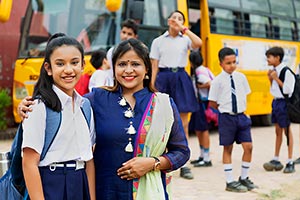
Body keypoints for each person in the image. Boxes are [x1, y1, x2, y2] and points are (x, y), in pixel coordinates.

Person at [18, 38, 190, 200]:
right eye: (122, 64)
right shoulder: (96, 99)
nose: (128, 70)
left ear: (147, 69)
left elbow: (181, 152)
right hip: (105, 191)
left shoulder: (163, 104)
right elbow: (64, 103)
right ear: (113, 68)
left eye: (135, 64)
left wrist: (153, 163)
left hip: (148, 192)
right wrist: (27, 105)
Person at [21, 33, 96, 200]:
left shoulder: (85, 106)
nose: (68, 70)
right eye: (60, 64)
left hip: (79, 181)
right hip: (52, 184)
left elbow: (89, 159)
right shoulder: (39, 107)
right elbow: (29, 163)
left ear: (83, 65)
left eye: (75, 63)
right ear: (48, 68)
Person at [150, 10, 202, 179]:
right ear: (168, 20)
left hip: (180, 77)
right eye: (174, 18)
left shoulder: (185, 39)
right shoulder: (158, 41)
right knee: (160, 122)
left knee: (184, 123)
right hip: (163, 78)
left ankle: (184, 164)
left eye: (180, 19)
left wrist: (184, 29)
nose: (176, 21)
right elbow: (154, 65)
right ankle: (161, 160)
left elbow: (199, 43)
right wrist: (152, 85)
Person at [208, 47, 257, 192]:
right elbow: (212, 102)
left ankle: (244, 177)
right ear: (221, 64)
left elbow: (245, 94)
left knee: (248, 146)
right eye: (228, 63)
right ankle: (230, 181)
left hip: (241, 116)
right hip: (226, 117)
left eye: (234, 62)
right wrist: (225, 110)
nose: (232, 65)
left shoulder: (241, 77)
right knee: (227, 148)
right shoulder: (217, 81)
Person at [263, 46, 296, 173]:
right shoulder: (273, 71)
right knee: (277, 131)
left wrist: (276, 78)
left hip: (284, 103)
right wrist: (271, 79)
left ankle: (290, 160)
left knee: (287, 131)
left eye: (270, 57)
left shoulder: (286, 71)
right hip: (276, 102)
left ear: (277, 58)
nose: (268, 60)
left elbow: (288, 90)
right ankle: (276, 158)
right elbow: (274, 90)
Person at [189, 50, 214, 167]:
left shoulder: (199, 72)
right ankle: (202, 155)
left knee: (203, 130)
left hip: (202, 103)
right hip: (199, 103)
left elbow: (210, 83)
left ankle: (207, 158)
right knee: (199, 130)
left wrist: (200, 86)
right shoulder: (204, 69)